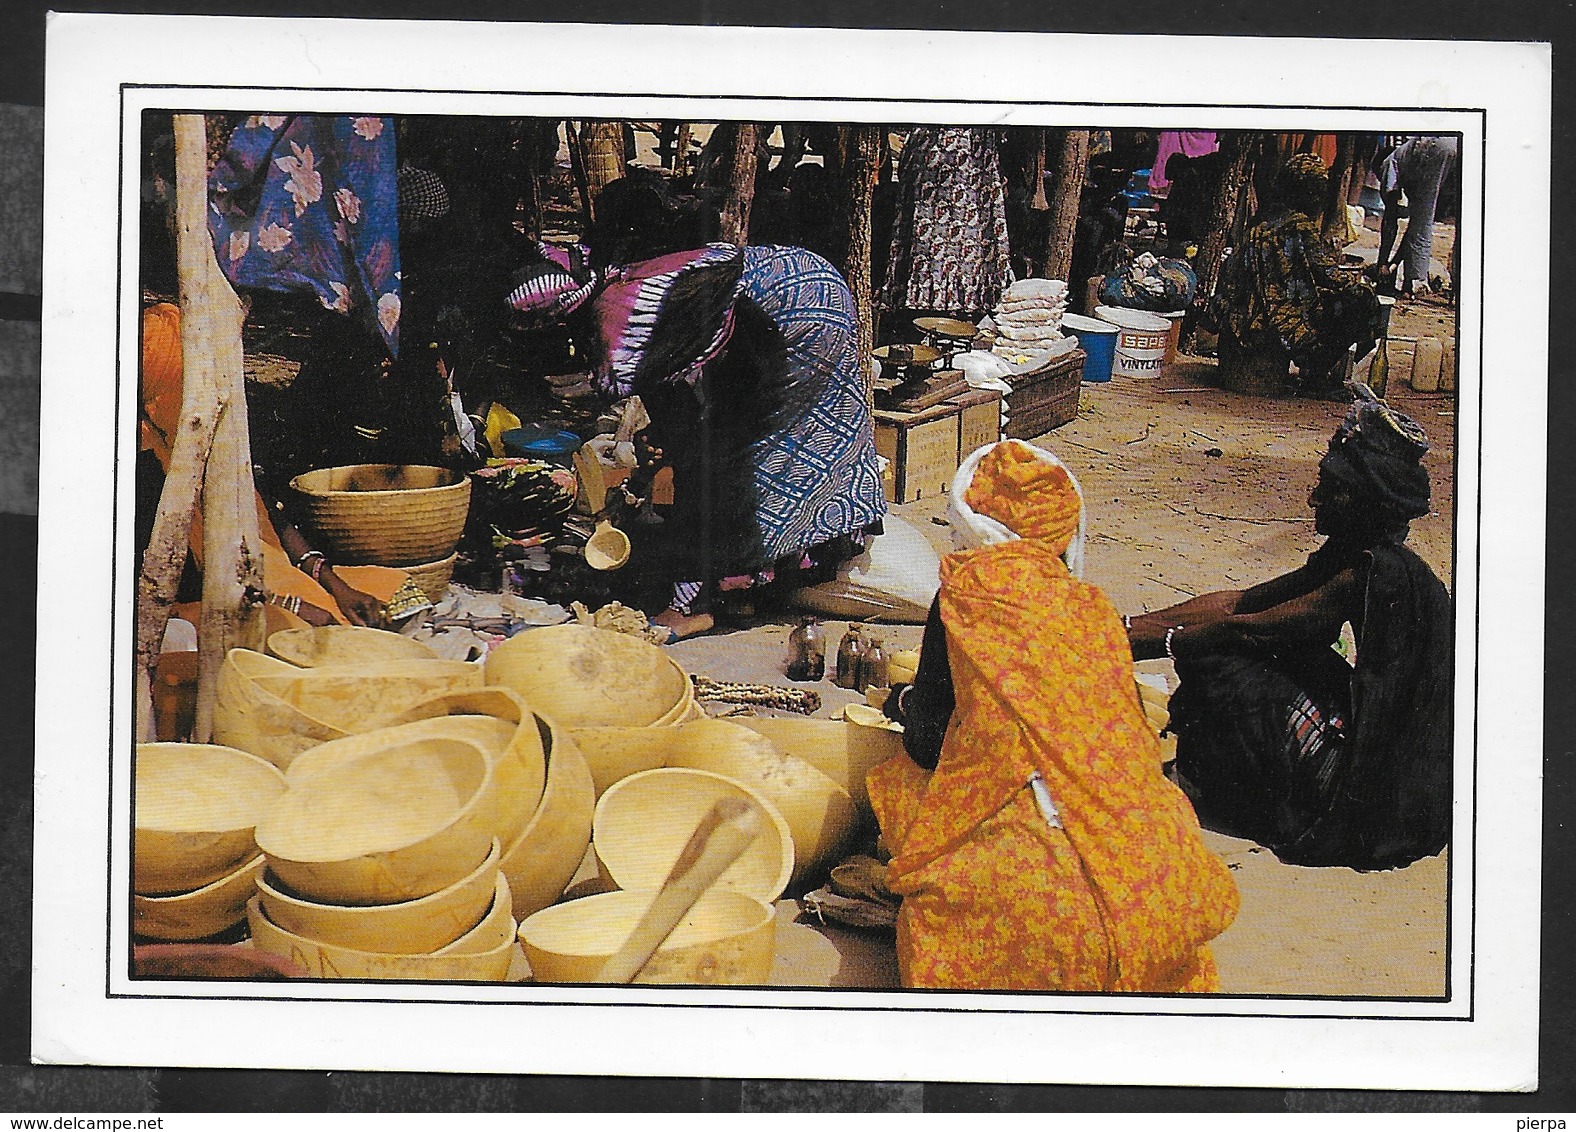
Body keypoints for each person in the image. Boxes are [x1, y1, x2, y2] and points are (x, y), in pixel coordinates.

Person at [869, 440, 1239, 992]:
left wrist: (901, 705)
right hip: (1160, 904)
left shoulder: (964, 599)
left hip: (1037, 921)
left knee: (898, 786)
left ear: (971, 523)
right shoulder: (1094, 609)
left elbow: (926, 741)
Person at [1126, 388, 1452, 871]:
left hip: (1383, 800)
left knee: (1225, 663)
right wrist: (1128, 626)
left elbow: (1247, 629)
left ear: (1361, 500)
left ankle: (1207, 789)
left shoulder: (1374, 573)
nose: (1315, 496)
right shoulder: (1352, 554)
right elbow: (1240, 599)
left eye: (1330, 487)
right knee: (1233, 648)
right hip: (1391, 772)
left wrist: (1139, 644)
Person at [506, 240, 887, 641]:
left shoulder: (620, 323)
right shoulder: (608, 283)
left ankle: (692, 606)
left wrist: (677, 447)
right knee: (777, 436)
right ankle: (764, 576)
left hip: (793, 314)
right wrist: (667, 437)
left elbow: (679, 409)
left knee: (751, 452)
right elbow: (676, 389)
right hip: (803, 278)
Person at [138, 302, 412, 631]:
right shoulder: (143, 471)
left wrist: (335, 585)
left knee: (394, 589)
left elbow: (268, 516)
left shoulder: (205, 440)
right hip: (206, 605)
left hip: (264, 577)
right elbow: (181, 588)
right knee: (299, 632)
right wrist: (290, 604)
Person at [1210, 152, 1382, 398]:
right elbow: (1328, 275)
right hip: (1267, 327)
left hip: (1237, 324)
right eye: (1317, 191)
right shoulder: (1298, 225)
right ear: (1306, 192)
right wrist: (1361, 284)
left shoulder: (1262, 219)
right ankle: (1316, 377)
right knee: (1360, 299)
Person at [879, 126, 1012, 322]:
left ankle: (963, 306)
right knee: (925, 235)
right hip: (931, 146)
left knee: (973, 233)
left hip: (973, 151)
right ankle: (926, 309)